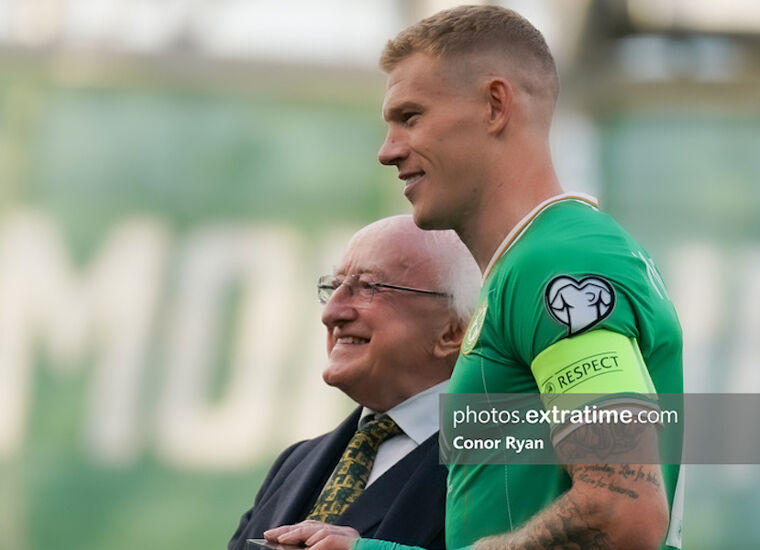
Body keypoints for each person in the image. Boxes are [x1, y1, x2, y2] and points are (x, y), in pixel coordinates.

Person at [266, 5, 684, 550]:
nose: (387, 150)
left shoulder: (557, 263)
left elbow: (621, 511)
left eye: (410, 117)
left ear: (494, 105)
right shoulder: (539, 260)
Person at [228, 215, 480, 550]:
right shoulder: (295, 464)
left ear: (454, 330)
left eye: (369, 287)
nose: (331, 312)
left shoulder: (517, 452)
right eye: (333, 287)